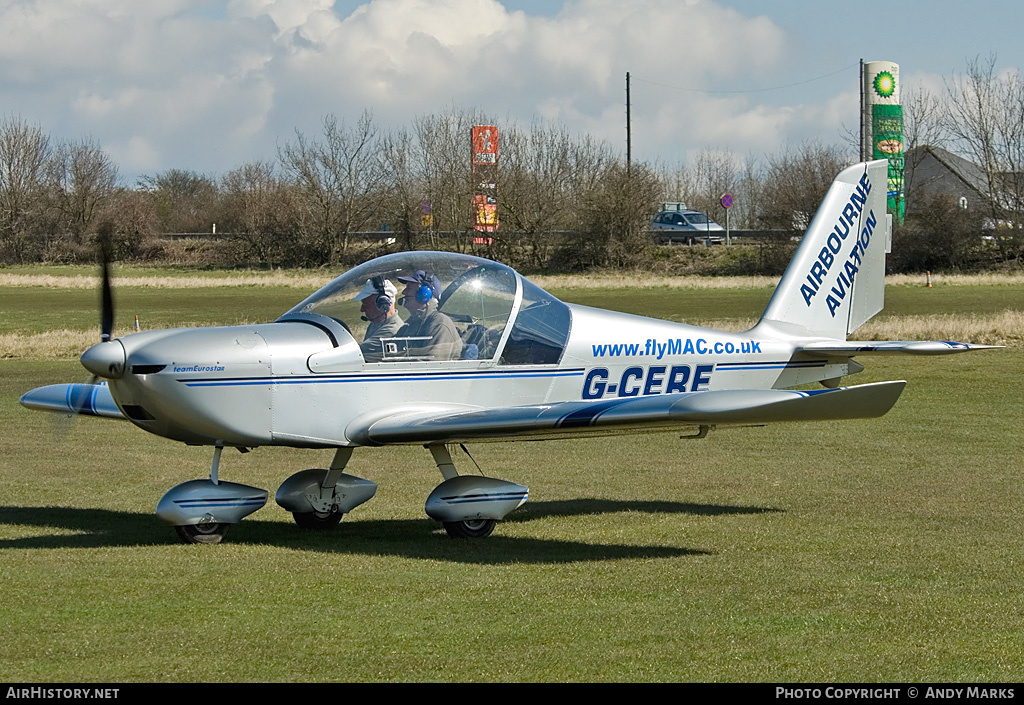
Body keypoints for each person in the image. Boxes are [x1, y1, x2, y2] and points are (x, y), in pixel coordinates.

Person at [394, 270, 462, 360]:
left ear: (424, 295)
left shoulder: (439, 324)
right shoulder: (410, 325)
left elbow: (432, 367)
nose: (404, 292)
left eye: (409, 288)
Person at [353, 276, 403, 362]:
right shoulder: (376, 323)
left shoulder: (391, 330)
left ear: (383, 305)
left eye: (366, 305)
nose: (362, 309)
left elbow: (357, 353)